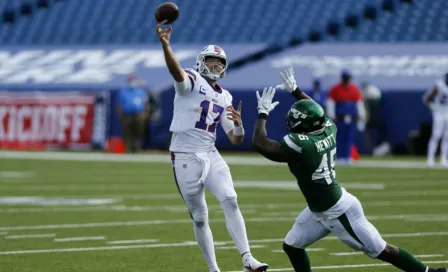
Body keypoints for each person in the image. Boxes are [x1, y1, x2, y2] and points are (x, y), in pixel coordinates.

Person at [251, 67, 447, 272]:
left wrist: (263, 112)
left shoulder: (303, 146)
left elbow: (260, 143)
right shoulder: (329, 128)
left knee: (382, 250)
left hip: (338, 211)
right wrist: (296, 90)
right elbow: (317, 112)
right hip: (319, 209)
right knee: (292, 246)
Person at [156, 22, 268, 272]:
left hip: (210, 152)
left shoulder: (225, 96)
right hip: (184, 155)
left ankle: (247, 258)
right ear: (200, 62)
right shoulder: (192, 80)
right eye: (211, 61)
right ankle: (213, 268)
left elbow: (235, 138)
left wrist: (239, 127)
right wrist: (166, 46)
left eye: (219, 63)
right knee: (200, 216)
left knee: (230, 198)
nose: (215, 65)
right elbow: (176, 73)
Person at [326, 69, 366, 164]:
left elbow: (359, 103)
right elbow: (330, 103)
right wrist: (332, 115)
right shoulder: (335, 88)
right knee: (339, 137)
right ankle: (340, 156)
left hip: (351, 118)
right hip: (339, 118)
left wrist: (361, 115)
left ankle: (348, 156)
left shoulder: (354, 89)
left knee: (350, 137)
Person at [116, 75, 148, 153]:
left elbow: (145, 104)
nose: (131, 83)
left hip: (138, 114)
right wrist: (121, 116)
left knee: (138, 132)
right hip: (127, 115)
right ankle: (128, 149)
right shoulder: (123, 91)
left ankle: (137, 148)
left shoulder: (141, 91)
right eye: (130, 81)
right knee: (127, 132)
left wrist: (144, 114)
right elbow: (119, 104)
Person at [423, 72, 448, 167]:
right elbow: (427, 98)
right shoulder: (439, 85)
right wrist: (432, 106)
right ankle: (430, 158)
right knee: (436, 135)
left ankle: (443, 158)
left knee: (447, 136)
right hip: (439, 112)